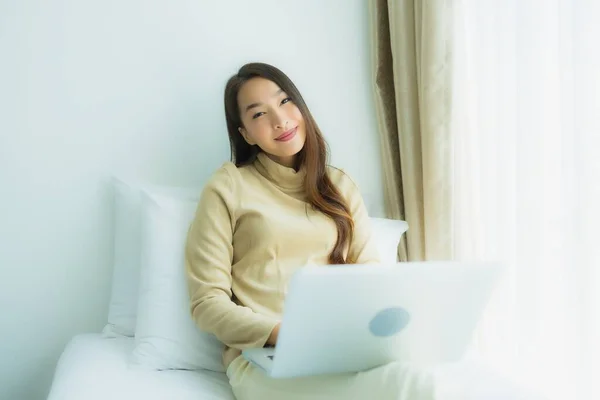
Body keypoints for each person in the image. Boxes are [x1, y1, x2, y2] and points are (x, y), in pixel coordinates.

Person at [184, 63, 533, 400]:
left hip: (344, 349)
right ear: (245, 134)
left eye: (285, 101)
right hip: (265, 361)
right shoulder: (227, 187)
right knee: (410, 387)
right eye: (259, 114)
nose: (280, 120)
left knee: (418, 377)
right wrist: (283, 334)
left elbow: (371, 277)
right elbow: (206, 303)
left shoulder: (338, 185)